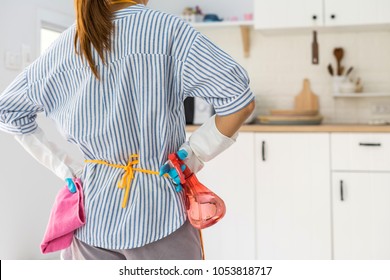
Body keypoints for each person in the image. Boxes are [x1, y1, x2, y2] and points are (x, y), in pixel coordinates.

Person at [0, 0, 255, 260]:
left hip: (90, 217)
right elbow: (239, 100)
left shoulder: (67, 44)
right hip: (160, 214)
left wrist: (66, 168)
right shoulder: (169, 31)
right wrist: (193, 155)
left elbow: (8, 110)